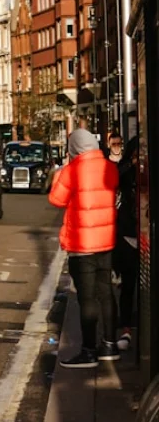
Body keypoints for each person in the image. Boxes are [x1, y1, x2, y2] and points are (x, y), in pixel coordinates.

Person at [50, 128, 120, 368]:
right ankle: (110, 344)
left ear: (74, 149)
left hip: (82, 244)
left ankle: (89, 351)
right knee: (106, 294)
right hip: (106, 240)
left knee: (87, 299)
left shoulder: (72, 171)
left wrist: (60, 173)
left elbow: (56, 199)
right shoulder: (109, 167)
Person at [113, 135, 140, 351]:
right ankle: (126, 324)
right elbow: (115, 178)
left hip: (142, 231)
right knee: (129, 284)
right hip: (128, 233)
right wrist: (130, 165)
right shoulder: (126, 171)